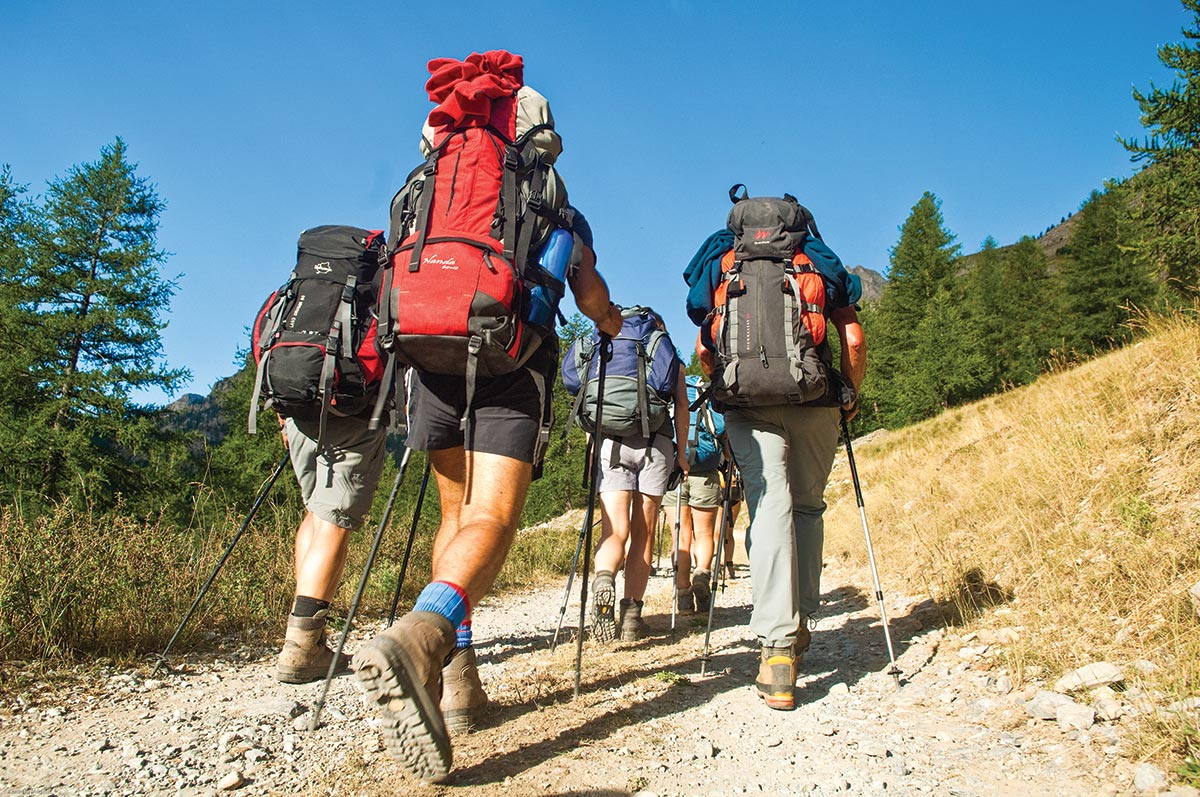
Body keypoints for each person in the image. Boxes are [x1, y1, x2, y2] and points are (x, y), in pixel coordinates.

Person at [720, 305, 865, 711]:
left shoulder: (721, 256)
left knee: (769, 508)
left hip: (747, 401)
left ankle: (778, 651)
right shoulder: (816, 255)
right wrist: (849, 394)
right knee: (805, 508)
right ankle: (799, 623)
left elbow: (703, 346)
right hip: (816, 398)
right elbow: (853, 338)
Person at [587, 313, 689, 643]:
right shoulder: (667, 352)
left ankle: (604, 579)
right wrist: (682, 454)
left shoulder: (608, 349)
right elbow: (683, 408)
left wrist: (593, 448)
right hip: (655, 445)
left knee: (613, 529)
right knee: (643, 533)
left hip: (610, 442)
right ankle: (631, 619)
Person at [274, 413, 387, 684]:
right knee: (334, 518)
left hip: (297, 414)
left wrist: (284, 421)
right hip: (355, 413)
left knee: (316, 513)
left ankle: (305, 639)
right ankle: (303, 646)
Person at [662, 375, 725, 613]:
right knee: (704, 533)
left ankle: (683, 596)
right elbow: (720, 428)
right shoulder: (706, 394)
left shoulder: (672, 394)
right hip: (705, 471)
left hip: (674, 474)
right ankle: (701, 574)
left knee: (679, 537)